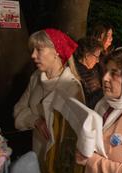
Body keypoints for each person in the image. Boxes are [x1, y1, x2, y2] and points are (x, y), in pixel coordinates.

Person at [14, 28, 84, 160]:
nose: (33, 55)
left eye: (39, 50)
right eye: (33, 50)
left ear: (56, 52)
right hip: (36, 153)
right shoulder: (36, 77)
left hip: (56, 162)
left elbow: (72, 136)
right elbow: (18, 109)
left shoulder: (71, 87)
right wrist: (36, 120)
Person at [74, 37, 104, 109]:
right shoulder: (76, 73)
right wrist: (104, 90)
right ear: (87, 55)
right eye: (97, 57)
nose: (97, 61)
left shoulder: (94, 68)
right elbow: (85, 104)